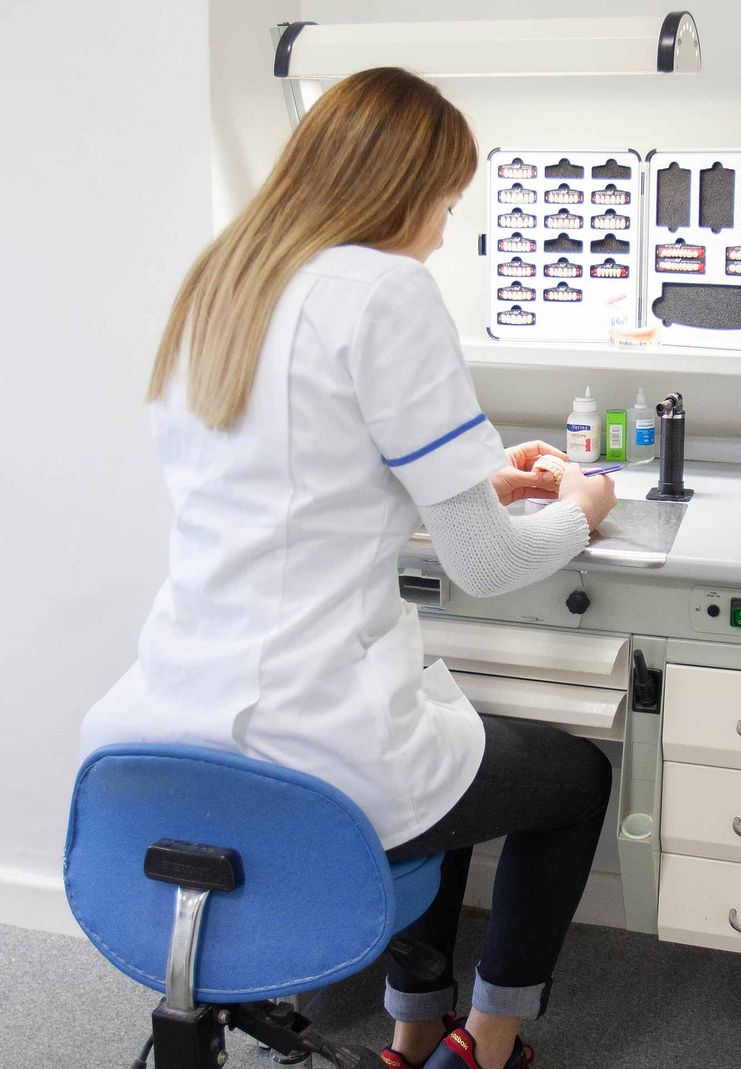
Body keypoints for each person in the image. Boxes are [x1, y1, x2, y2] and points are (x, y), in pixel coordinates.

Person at [80, 67, 618, 1069]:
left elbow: (293, 470)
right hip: (313, 739)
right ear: (403, 189)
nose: (445, 232)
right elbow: (490, 564)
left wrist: (465, 478)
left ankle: (413, 1025)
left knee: (452, 731)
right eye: (448, 205)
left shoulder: (222, 278)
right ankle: (486, 1042)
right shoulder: (384, 286)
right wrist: (582, 513)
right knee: (573, 774)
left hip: (162, 724)